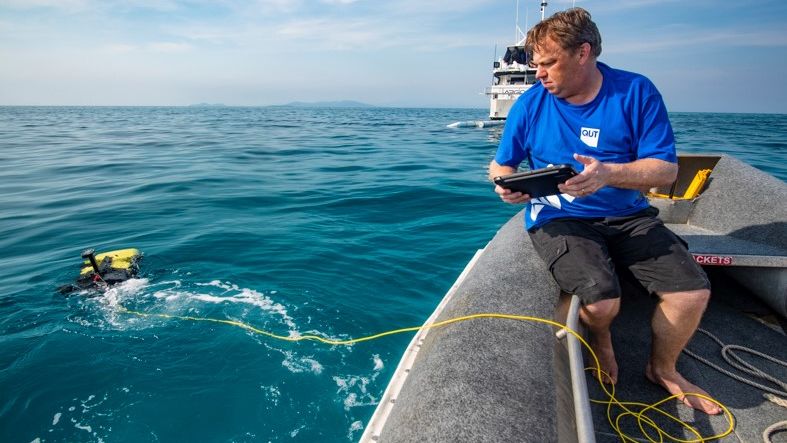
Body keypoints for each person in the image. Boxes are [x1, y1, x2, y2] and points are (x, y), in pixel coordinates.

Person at [488, 7, 721, 415]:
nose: (539, 74)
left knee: (692, 294)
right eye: (535, 65)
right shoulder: (530, 104)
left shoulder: (635, 91)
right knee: (601, 303)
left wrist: (608, 174)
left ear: (583, 52)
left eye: (548, 63)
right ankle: (603, 339)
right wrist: (504, 184)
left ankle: (662, 368)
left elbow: (665, 170)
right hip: (559, 217)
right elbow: (502, 163)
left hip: (629, 215)